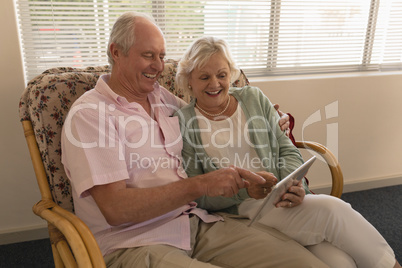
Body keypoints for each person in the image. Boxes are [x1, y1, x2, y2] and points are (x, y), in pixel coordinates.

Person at [61, 11, 331, 267]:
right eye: (148, 55)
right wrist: (201, 184)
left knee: (305, 264)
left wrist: (275, 118)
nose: (159, 66)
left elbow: (210, 110)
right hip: (133, 243)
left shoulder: (160, 98)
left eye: (162, 55)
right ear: (116, 52)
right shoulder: (90, 116)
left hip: (193, 224)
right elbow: (116, 209)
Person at [175, 36, 401, 268]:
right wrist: (246, 190)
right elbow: (196, 194)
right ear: (188, 80)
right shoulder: (183, 122)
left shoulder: (253, 98)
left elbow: (287, 150)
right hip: (239, 214)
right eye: (204, 77)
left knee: (340, 262)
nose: (215, 84)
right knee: (334, 210)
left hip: (281, 200)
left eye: (221, 75)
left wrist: (293, 185)